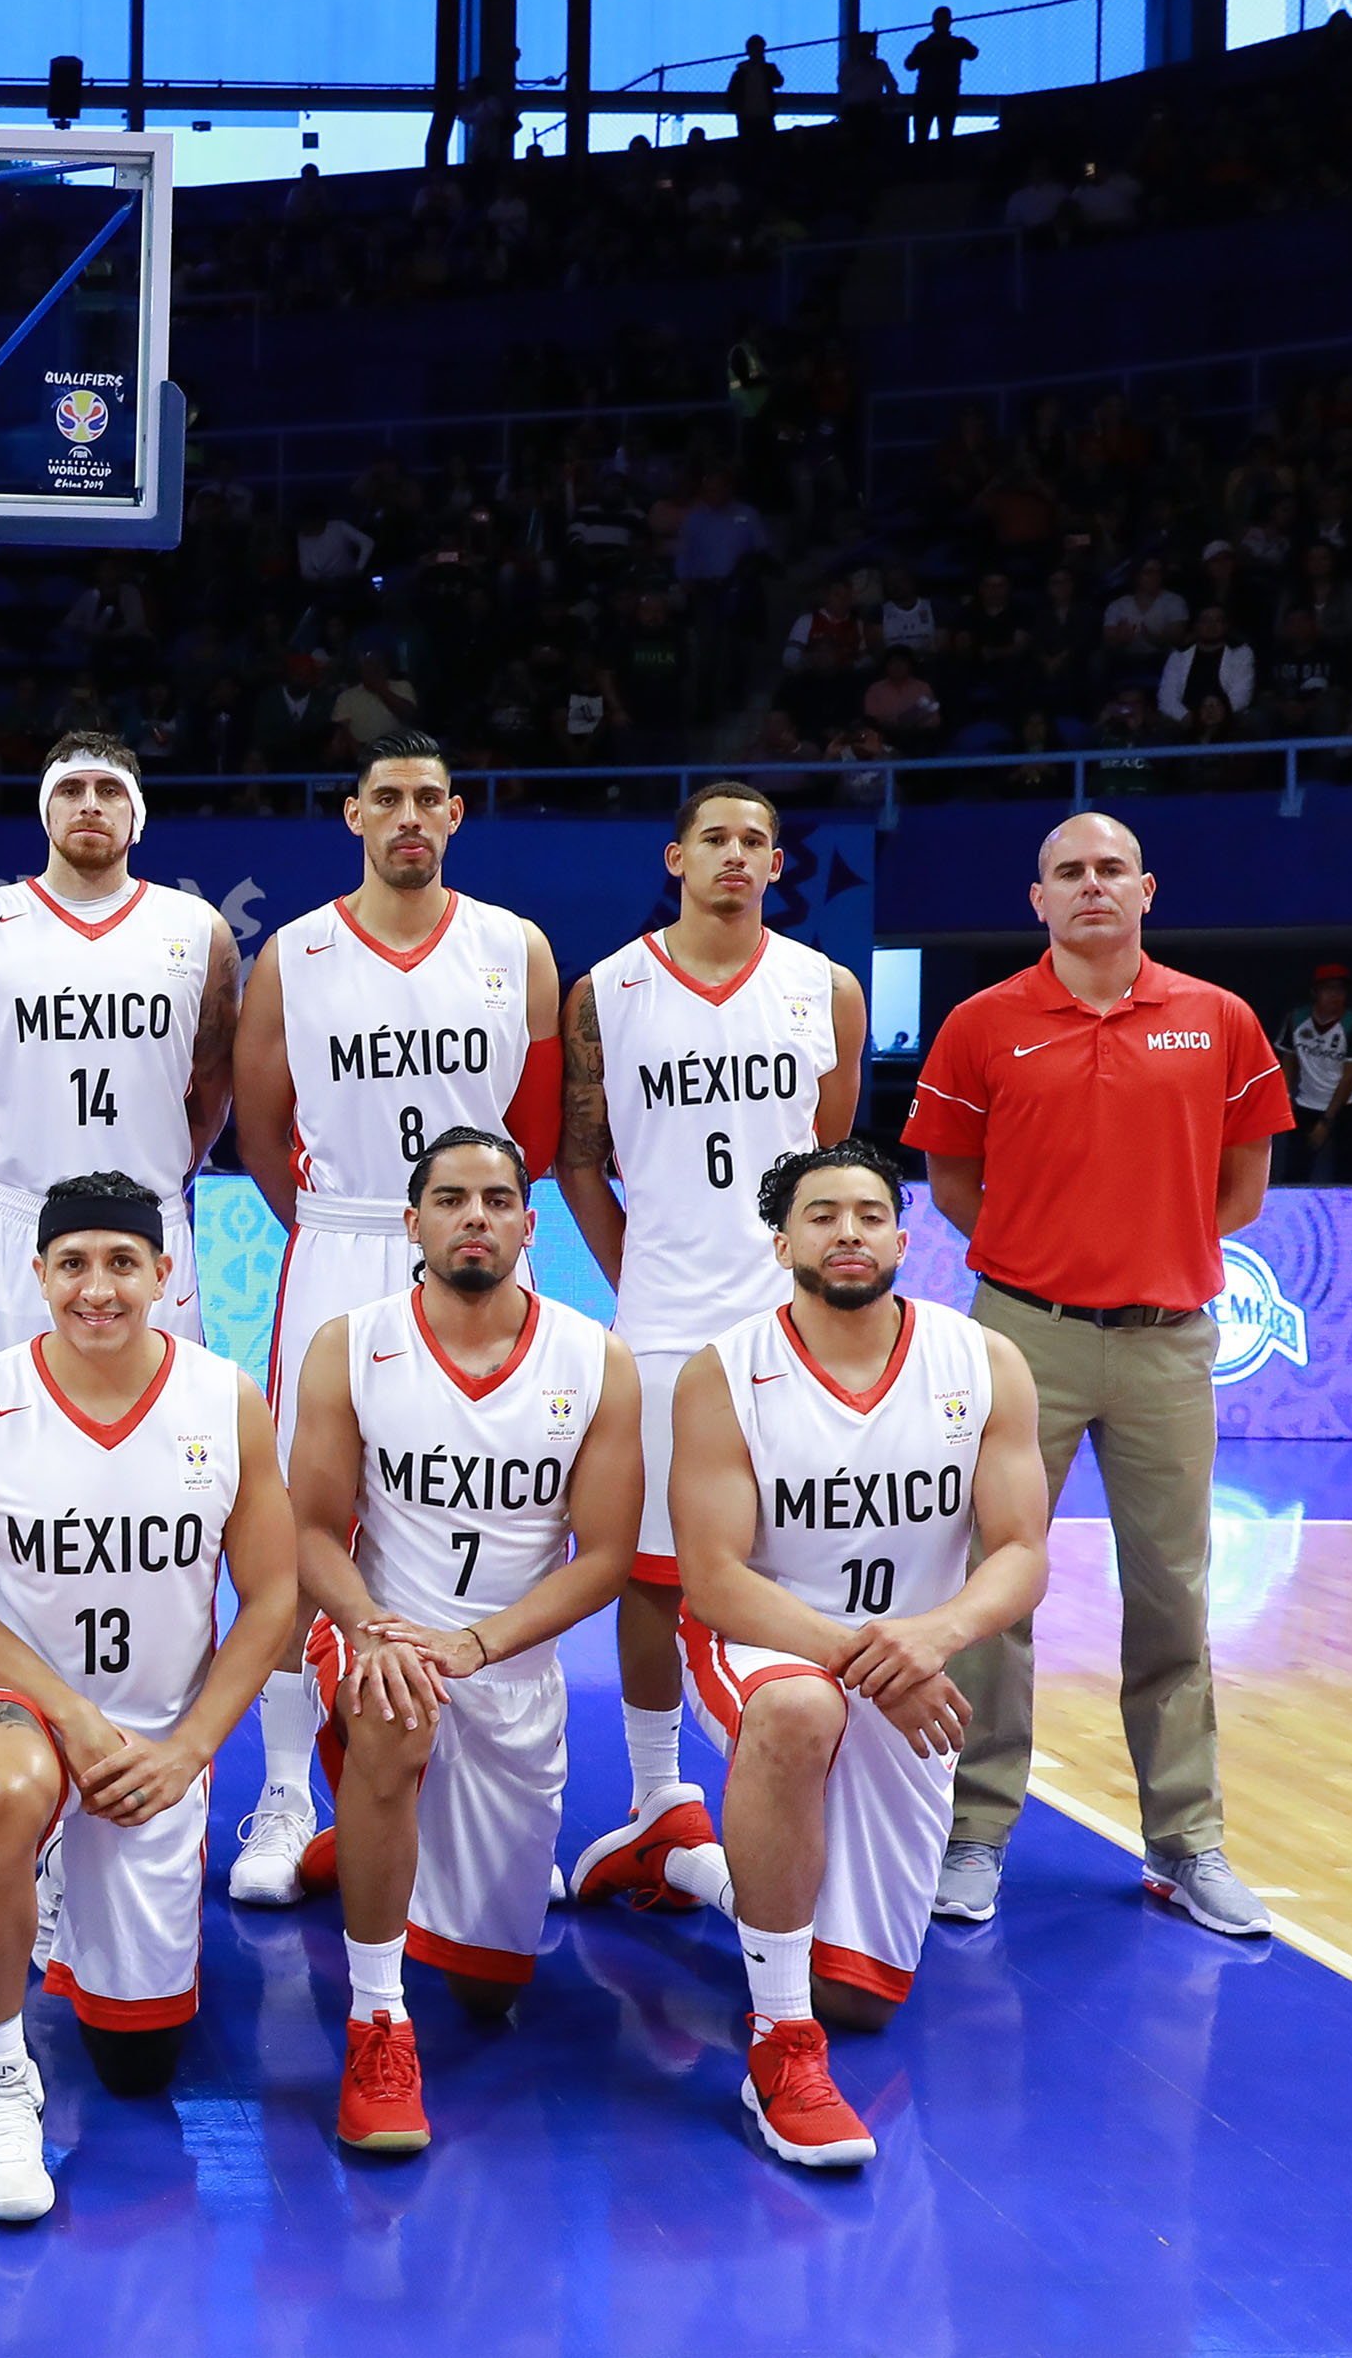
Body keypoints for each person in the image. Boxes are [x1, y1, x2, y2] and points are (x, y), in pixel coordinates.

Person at [900, 813, 1294, 1938]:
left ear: (1144, 889)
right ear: (1036, 900)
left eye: (1107, 870)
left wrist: (1145, 1269)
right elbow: (955, 1190)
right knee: (992, 1593)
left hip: (1169, 1342)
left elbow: (1240, 1192)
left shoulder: (1217, 1020)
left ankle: (1184, 1843)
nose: (1088, 886)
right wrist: (1050, 1272)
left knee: (1170, 1595)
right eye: (1066, 873)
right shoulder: (982, 1025)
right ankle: (973, 1833)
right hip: (1021, 1338)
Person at [648, 1138, 1051, 2167]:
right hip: (765, 1641)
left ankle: (689, 1863)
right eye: (820, 1215)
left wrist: (934, 1637)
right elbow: (712, 1578)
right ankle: (778, 2046)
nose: (846, 1233)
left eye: (868, 1215)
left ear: (902, 1239)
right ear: (780, 1240)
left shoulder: (980, 1361)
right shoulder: (723, 1372)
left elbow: (1018, 1552)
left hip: (912, 1660)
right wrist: (869, 1658)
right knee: (799, 1711)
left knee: (862, 2000)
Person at [0, 1172, 294, 2217]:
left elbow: (270, 1601)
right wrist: (71, 1716)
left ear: (164, 1275)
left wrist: (188, 1752)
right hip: (20, 1699)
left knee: (136, 2065)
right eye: (72, 1263)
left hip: (159, 1734)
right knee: (4, 1787)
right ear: (36, 1275)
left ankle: (71, 1901)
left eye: (121, 1262)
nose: (96, 1288)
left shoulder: (226, 1400)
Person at [225, 729, 563, 1906]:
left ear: (455, 815)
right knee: (291, 1526)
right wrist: (336, 1222)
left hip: (468, 1239)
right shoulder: (296, 954)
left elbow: (533, 1129)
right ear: (352, 816)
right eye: (387, 799)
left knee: (485, 1503)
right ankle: (280, 1796)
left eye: (429, 796)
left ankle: (470, 1773)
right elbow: (257, 1128)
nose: (408, 815)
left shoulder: (513, 948)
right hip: (339, 1234)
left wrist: (453, 1223)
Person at [280, 1130, 639, 2151]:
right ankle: (375, 2023)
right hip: (379, 1637)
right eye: (448, 1199)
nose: (472, 1217)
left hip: (507, 1670)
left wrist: (476, 1646)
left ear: (530, 1224)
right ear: (412, 1222)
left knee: (488, 1991)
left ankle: (357, 1842)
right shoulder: (349, 1344)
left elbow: (604, 1556)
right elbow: (309, 1530)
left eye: (494, 1199)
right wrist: (367, 1626)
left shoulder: (592, 1359)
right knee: (396, 1709)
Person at [555, 779, 862, 1912]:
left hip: (784, 1326)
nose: (734, 856)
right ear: (674, 857)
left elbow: (828, 1159)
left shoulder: (820, 988)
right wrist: (633, 1267)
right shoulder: (608, 991)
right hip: (663, 1325)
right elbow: (578, 1156)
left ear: (776, 866)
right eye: (714, 840)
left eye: (754, 842)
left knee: (784, 1564)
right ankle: (651, 1800)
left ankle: (783, 1796)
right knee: (652, 1575)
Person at [0, 732, 239, 1382]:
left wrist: (168, 1173)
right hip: (17, 1221)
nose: (88, 805)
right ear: (45, 810)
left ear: (137, 815)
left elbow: (211, 1087)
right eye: (69, 790)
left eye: (108, 791)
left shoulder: (197, 930)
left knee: (158, 1460)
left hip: (145, 1222)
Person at [1275, 963, 1352, 1184]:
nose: (1334, 996)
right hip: (1307, 1101)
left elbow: (1350, 1077)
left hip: (1350, 1103)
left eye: (1340, 990)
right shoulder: (1296, 1018)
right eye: (1328, 989)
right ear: (1315, 992)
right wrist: (1286, 1097)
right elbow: (1289, 1058)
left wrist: (1327, 1121)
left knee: (1348, 1171)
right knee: (1295, 1170)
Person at [904, 8, 979, 144]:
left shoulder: (925, 45)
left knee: (923, 136)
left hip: (928, 96)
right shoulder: (954, 43)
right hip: (944, 95)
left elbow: (909, 65)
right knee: (944, 136)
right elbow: (973, 53)